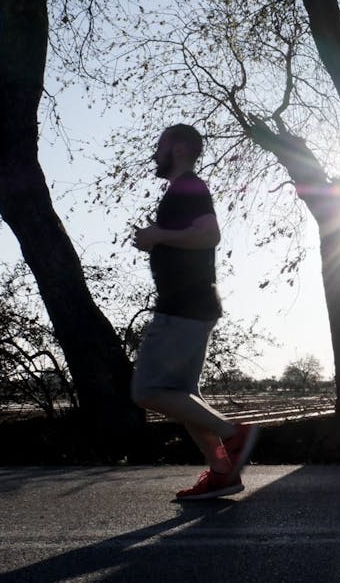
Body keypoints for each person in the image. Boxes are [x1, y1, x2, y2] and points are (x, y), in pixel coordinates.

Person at [131, 124, 259, 501]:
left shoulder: (189, 187)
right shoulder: (181, 190)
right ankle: (223, 473)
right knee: (182, 395)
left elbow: (209, 235)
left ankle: (236, 435)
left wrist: (158, 236)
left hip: (183, 306)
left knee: (147, 390)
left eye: (160, 146)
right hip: (192, 304)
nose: (155, 153)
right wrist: (157, 238)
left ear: (180, 149)